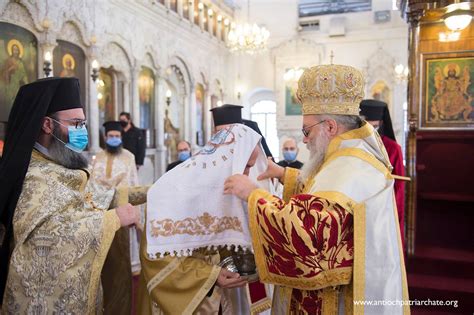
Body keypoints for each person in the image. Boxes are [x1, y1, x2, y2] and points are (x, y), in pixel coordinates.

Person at [224, 64, 409, 314]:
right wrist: (285, 175)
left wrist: (252, 194)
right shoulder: (351, 156)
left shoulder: (350, 166)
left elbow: (309, 236)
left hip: (340, 301)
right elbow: (325, 193)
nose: (304, 139)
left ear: (330, 127)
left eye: (306, 130)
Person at [0, 77, 145, 313]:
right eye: (76, 123)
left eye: (84, 123)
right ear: (48, 125)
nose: (83, 131)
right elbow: (43, 242)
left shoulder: (58, 165)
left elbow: (101, 196)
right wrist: (114, 218)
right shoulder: (31, 175)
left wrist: (155, 190)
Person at [138, 106, 273, 314]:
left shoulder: (227, 190)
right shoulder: (171, 190)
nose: (247, 174)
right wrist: (211, 276)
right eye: (246, 166)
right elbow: (156, 258)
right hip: (186, 300)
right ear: (230, 159)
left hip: (218, 299)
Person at [90, 120, 142, 314]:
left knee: (120, 262)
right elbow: (92, 183)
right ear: (105, 137)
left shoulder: (129, 157)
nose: (114, 139)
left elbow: (133, 186)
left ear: (121, 138)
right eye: (111, 136)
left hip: (121, 215)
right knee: (102, 261)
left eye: (117, 137)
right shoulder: (99, 157)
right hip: (101, 214)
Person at [360, 99, 406, 248]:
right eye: (367, 127)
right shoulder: (353, 144)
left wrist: (394, 214)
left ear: (381, 124)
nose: (371, 132)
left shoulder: (393, 148)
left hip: (382, 209)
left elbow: (399, 188)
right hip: (358, 205)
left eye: (375, 127)